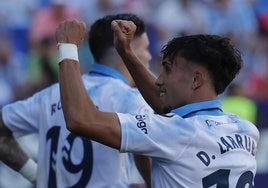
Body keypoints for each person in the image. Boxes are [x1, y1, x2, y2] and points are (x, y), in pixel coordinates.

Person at [56, 19, 260, 187]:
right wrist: (126, 52)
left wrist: (67, 46)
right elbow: (166, 106)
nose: (159, 80)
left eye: (168, 69)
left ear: (196, 80)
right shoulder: (246, 130)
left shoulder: (174, 131)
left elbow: (80, 119)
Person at [0, 13, 153, 188]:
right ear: (127, 50)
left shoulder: (51, 94)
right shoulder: (132, 100)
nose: (149, 56)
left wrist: (36, 175)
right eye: (146, 49)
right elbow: (149, 153)